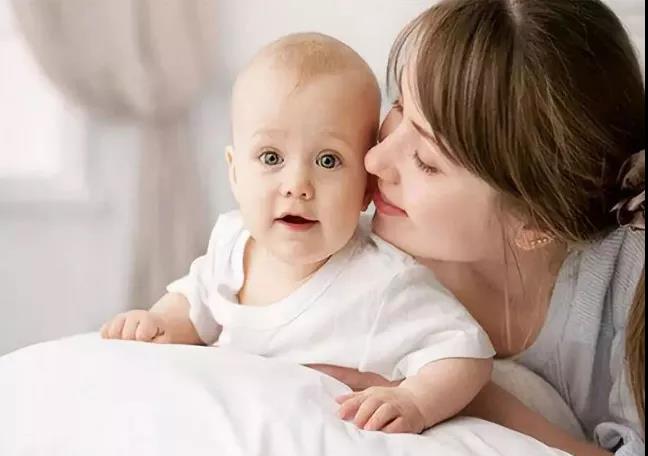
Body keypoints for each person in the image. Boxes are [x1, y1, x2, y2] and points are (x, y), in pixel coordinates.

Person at [100, 32, 495, 434]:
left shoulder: (382, 281)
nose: (297, 185)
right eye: (271, 157)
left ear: (365, 189)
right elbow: (196, 301)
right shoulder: (232, 241)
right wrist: (159, 322)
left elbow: (466, 351)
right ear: (235, 173)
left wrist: (415, 400)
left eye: (328, 160)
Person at [311, 1, 645, 454]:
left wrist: (454, 391)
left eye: (426, 161)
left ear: (535, 222)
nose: (374, 159)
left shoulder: (630, 283)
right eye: (399, 106)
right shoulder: (360, 263)